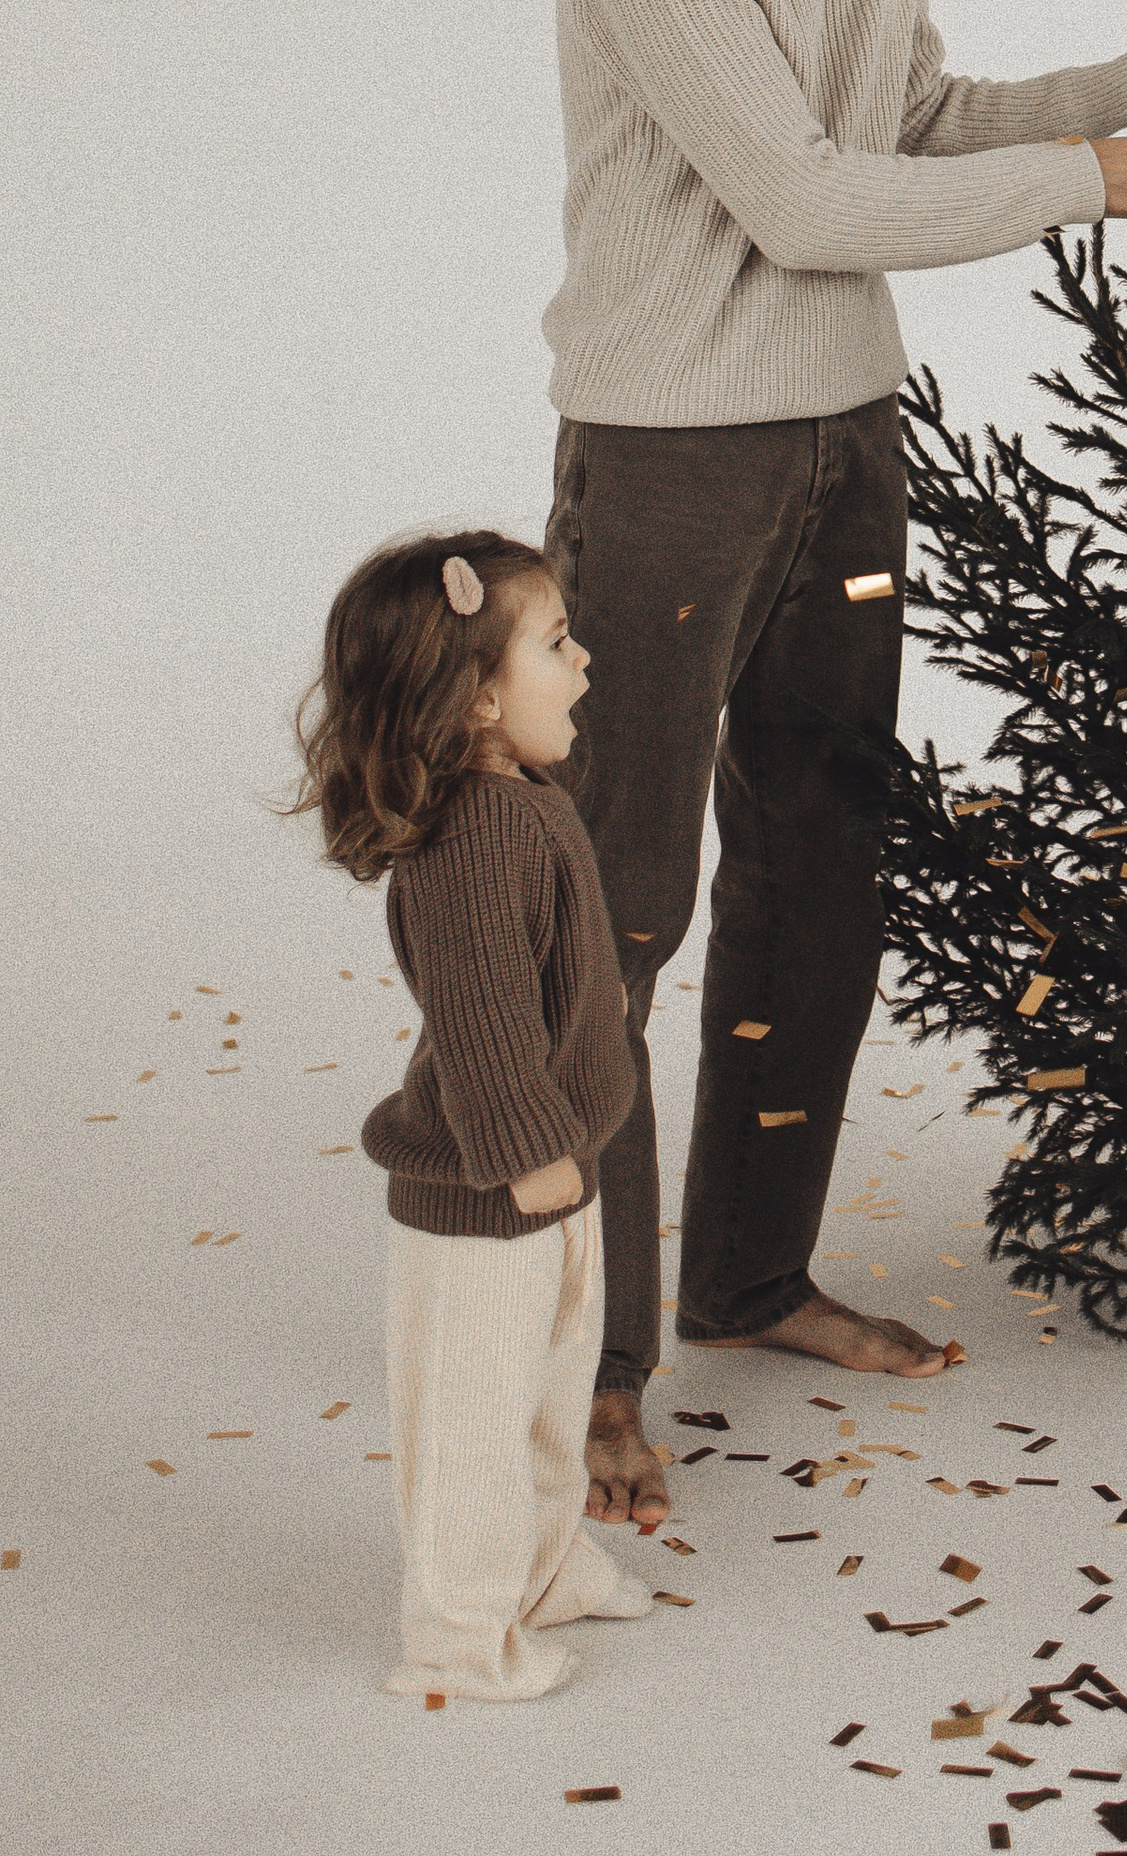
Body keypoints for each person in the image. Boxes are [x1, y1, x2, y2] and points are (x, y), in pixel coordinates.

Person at [543, 0, 1127, 1529]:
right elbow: (792, 195)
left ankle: (750, 1279)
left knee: (820, 864)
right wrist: (1084, 184)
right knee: (616, 908)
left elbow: (909, 113)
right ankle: (586, 1368)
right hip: (670, 441)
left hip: (844, 434)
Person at [289, 527, 650, 1700]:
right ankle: (456, 1639)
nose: (585, 661)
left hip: (555, 1181)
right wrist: (531, 1155)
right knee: (475, 1435)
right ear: (480, 696)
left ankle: (540, 1575)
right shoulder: (475, 837)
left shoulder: (520, 795)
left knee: (548, 1410)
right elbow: (484, 1011)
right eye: (556, 643)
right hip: (491, 1194)